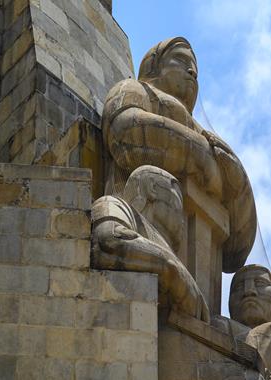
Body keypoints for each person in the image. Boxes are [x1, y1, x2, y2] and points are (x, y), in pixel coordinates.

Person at [101, 37, 256, 273]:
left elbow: (237, 249)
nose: (192, 71)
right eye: (181, 60)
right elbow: (124, 132)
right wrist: (202, 158)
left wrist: (239, 180)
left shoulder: (209, 137)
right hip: (139, 228)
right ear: (154, 66)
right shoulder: (137, 90)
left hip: (203, 268)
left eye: (194, 67)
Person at [91, 165, 209, 322]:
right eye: (179, 199)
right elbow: (108, 239)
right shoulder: (114, 204)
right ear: (152, 187)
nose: (182, 216)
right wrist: (171, 269)